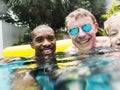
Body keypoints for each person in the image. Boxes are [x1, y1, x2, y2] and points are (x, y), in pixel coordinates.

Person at [11, 24, 58, 90]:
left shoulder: (62, 56)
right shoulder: (26, 69)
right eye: (39, 40)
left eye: (51, 38)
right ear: (32, 45)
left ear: (55, 40)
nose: (46, 43)